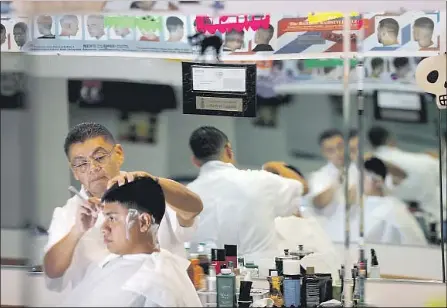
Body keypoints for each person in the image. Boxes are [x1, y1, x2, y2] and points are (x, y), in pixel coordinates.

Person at [43, 122, 203, 293]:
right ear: (74, 171)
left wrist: (153, 182)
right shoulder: (67, 214)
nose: (93, 168)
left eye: (99, 157)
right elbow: (52, 273)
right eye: (82, 164)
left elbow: (194, 207)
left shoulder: (150, 193)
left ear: (118, 154)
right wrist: (77, 231)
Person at [60, 176, 202, 307]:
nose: (103, 228)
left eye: (112, 218)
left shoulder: (156, 285)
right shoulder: (111, 263)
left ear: (143, 222)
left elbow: (195, 206)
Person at [186, 126, 308, 262]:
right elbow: (300, 187)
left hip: (204, 275)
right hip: (258, 275)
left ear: (195, 161)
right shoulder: (260, 180)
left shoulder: (186, 194)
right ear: (228, 150)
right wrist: (274, 166)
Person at [368, 126, 440, 222]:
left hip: (389, 220)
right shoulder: (429, 161)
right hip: (433, 220)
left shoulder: (369, 166)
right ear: (390, 140)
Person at [350, 157, 428, 246]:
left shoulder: (389, 210)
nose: (358, 182)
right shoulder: (367, 204)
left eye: (363, 178)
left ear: (378, 181)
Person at [306, 129, 358, 242]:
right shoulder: (319, 176)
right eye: (330, 150)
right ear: (324, 152)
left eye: (340, 147)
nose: (338, 153)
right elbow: (319, 203)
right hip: (332, 236)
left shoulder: (361, 171)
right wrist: (337, 182)